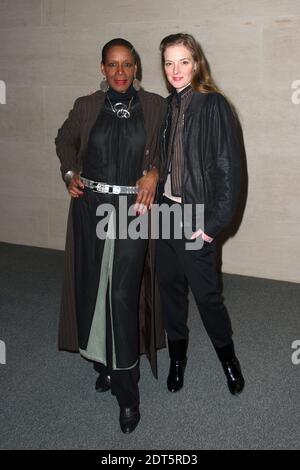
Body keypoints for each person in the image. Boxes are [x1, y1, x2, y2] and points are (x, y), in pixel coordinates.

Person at [55, 38, 166, 434]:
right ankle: (104, 364)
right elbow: (64, 140)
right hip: (91, 212)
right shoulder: (85, 106)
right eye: (112, 65)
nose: (120, 72)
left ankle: (127, 394)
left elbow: (167, 150)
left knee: (121, 295)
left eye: (127, 65)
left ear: (137, 68)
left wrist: (154, 172)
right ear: (102, 68)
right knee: (94, 290)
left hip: (134, 213)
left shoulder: (155, 106)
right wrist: (69, 173)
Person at [156, 33, 245, 396]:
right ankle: (178, 359)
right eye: (168, 62)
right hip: (163, 214)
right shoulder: (167, 106)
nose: (175, 70)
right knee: (170, 291)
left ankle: (228, 359)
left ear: (197, 63)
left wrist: (210, 227)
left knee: (207, 296)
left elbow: (230, 172)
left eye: (183, 61)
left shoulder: (214, 105)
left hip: (195, 215)